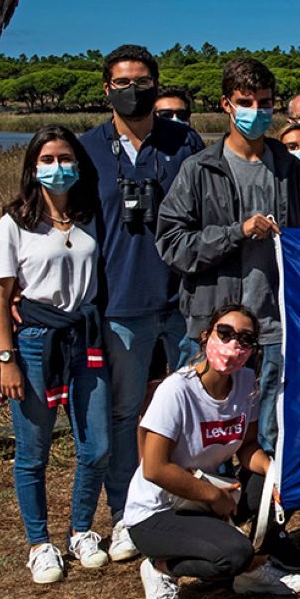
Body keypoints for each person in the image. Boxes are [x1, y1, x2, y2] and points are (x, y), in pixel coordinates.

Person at [156, 57, 300, 479]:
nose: (256, 112)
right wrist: (235, 233)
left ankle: (268, 528)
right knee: (202, 435)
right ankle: (203, 525)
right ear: (226, 104)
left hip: (275, 328)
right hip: (214, 332)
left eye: (265, 103)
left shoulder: (288, 168)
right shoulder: (198, 171)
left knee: (270, 436)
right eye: (246, 102)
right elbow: (172, 246)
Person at [79, 45, 207, 563]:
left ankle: (181, 503)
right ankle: (127, 515)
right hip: (120, 303)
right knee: (126, 413)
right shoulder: (86, 148)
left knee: (187, 410)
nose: (133, 89)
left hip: (184, 298)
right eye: (122, 81)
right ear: (106, 88)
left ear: (156, 83)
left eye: (143, 80)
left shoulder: (183, 141)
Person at [124, 305, 300, 599]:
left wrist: (275, 473)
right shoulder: (176, 390)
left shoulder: (247, 382)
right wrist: (213, 497)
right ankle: (161, 568)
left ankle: (249, 574)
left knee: (277, 479)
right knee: (233, 555)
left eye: (245, 339)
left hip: (203, 497)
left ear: (252, 350)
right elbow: (154, 468)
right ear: (206, 335)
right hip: (155, 512)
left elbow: (248, 447)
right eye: (225, 333)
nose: (233, 345)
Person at [0, 125, 111, 583]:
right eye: (47, 159)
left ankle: (81, 529)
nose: (58, 167)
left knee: (96, 445)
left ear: (78, 164)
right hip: (37, 343)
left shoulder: (88, 217)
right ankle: (39, 543)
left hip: (86, 338)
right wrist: (7, 359)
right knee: (33, 451)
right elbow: (0, 295)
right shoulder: (14, 225)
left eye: (65, 158)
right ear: (33, 167)